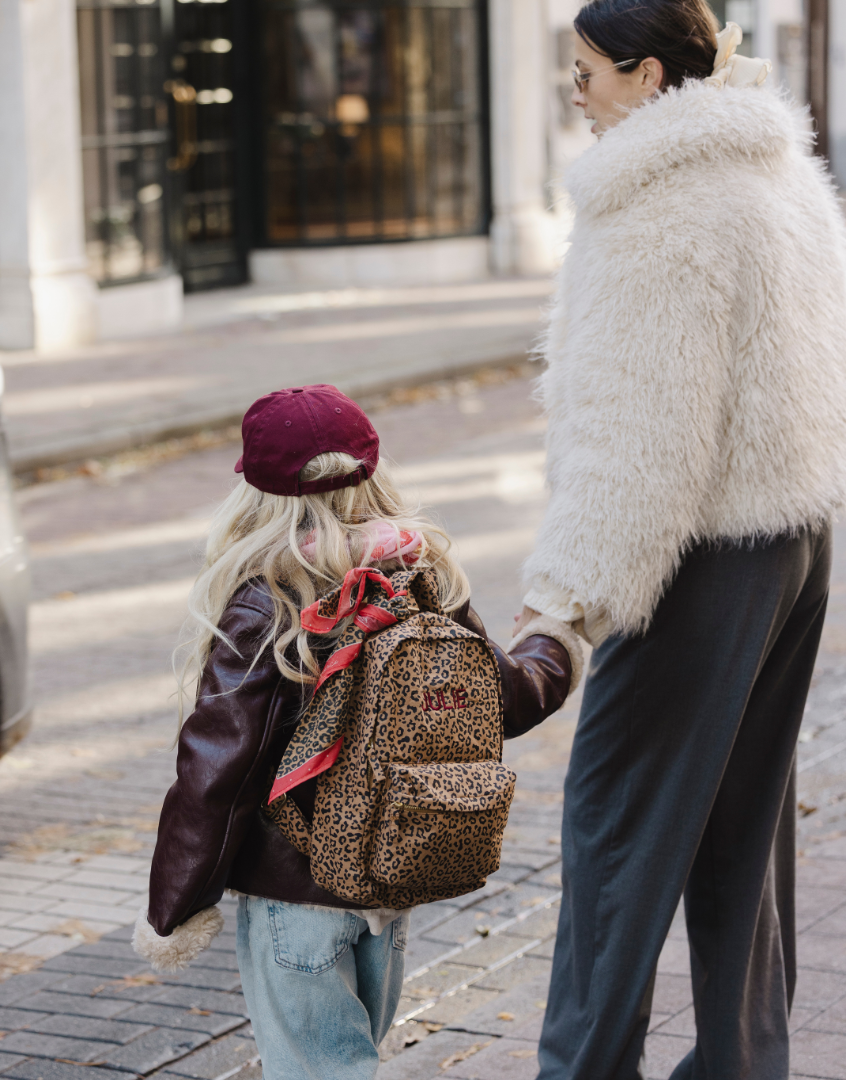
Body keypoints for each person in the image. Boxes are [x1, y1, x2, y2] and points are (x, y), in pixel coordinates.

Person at [512, 2, 846, 1078]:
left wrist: (561, 607)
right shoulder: (779, 174)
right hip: (794, 537)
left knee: (613, 823)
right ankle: (744, 1064)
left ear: (647, 75)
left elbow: (641, 435)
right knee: (741, 821)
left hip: (697, 558)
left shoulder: (654, 202)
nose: (575, 93)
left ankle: (583, 1068)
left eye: (584, 73)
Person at [134, 384, 580, 1080]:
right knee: (354, 1061)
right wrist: (555, 642)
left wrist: (174, 909)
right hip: (391, 880)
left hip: (295, 900)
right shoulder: (420, 575)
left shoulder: (269, 596)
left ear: (256, 495)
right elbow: (507, 701)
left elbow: (217, 775)